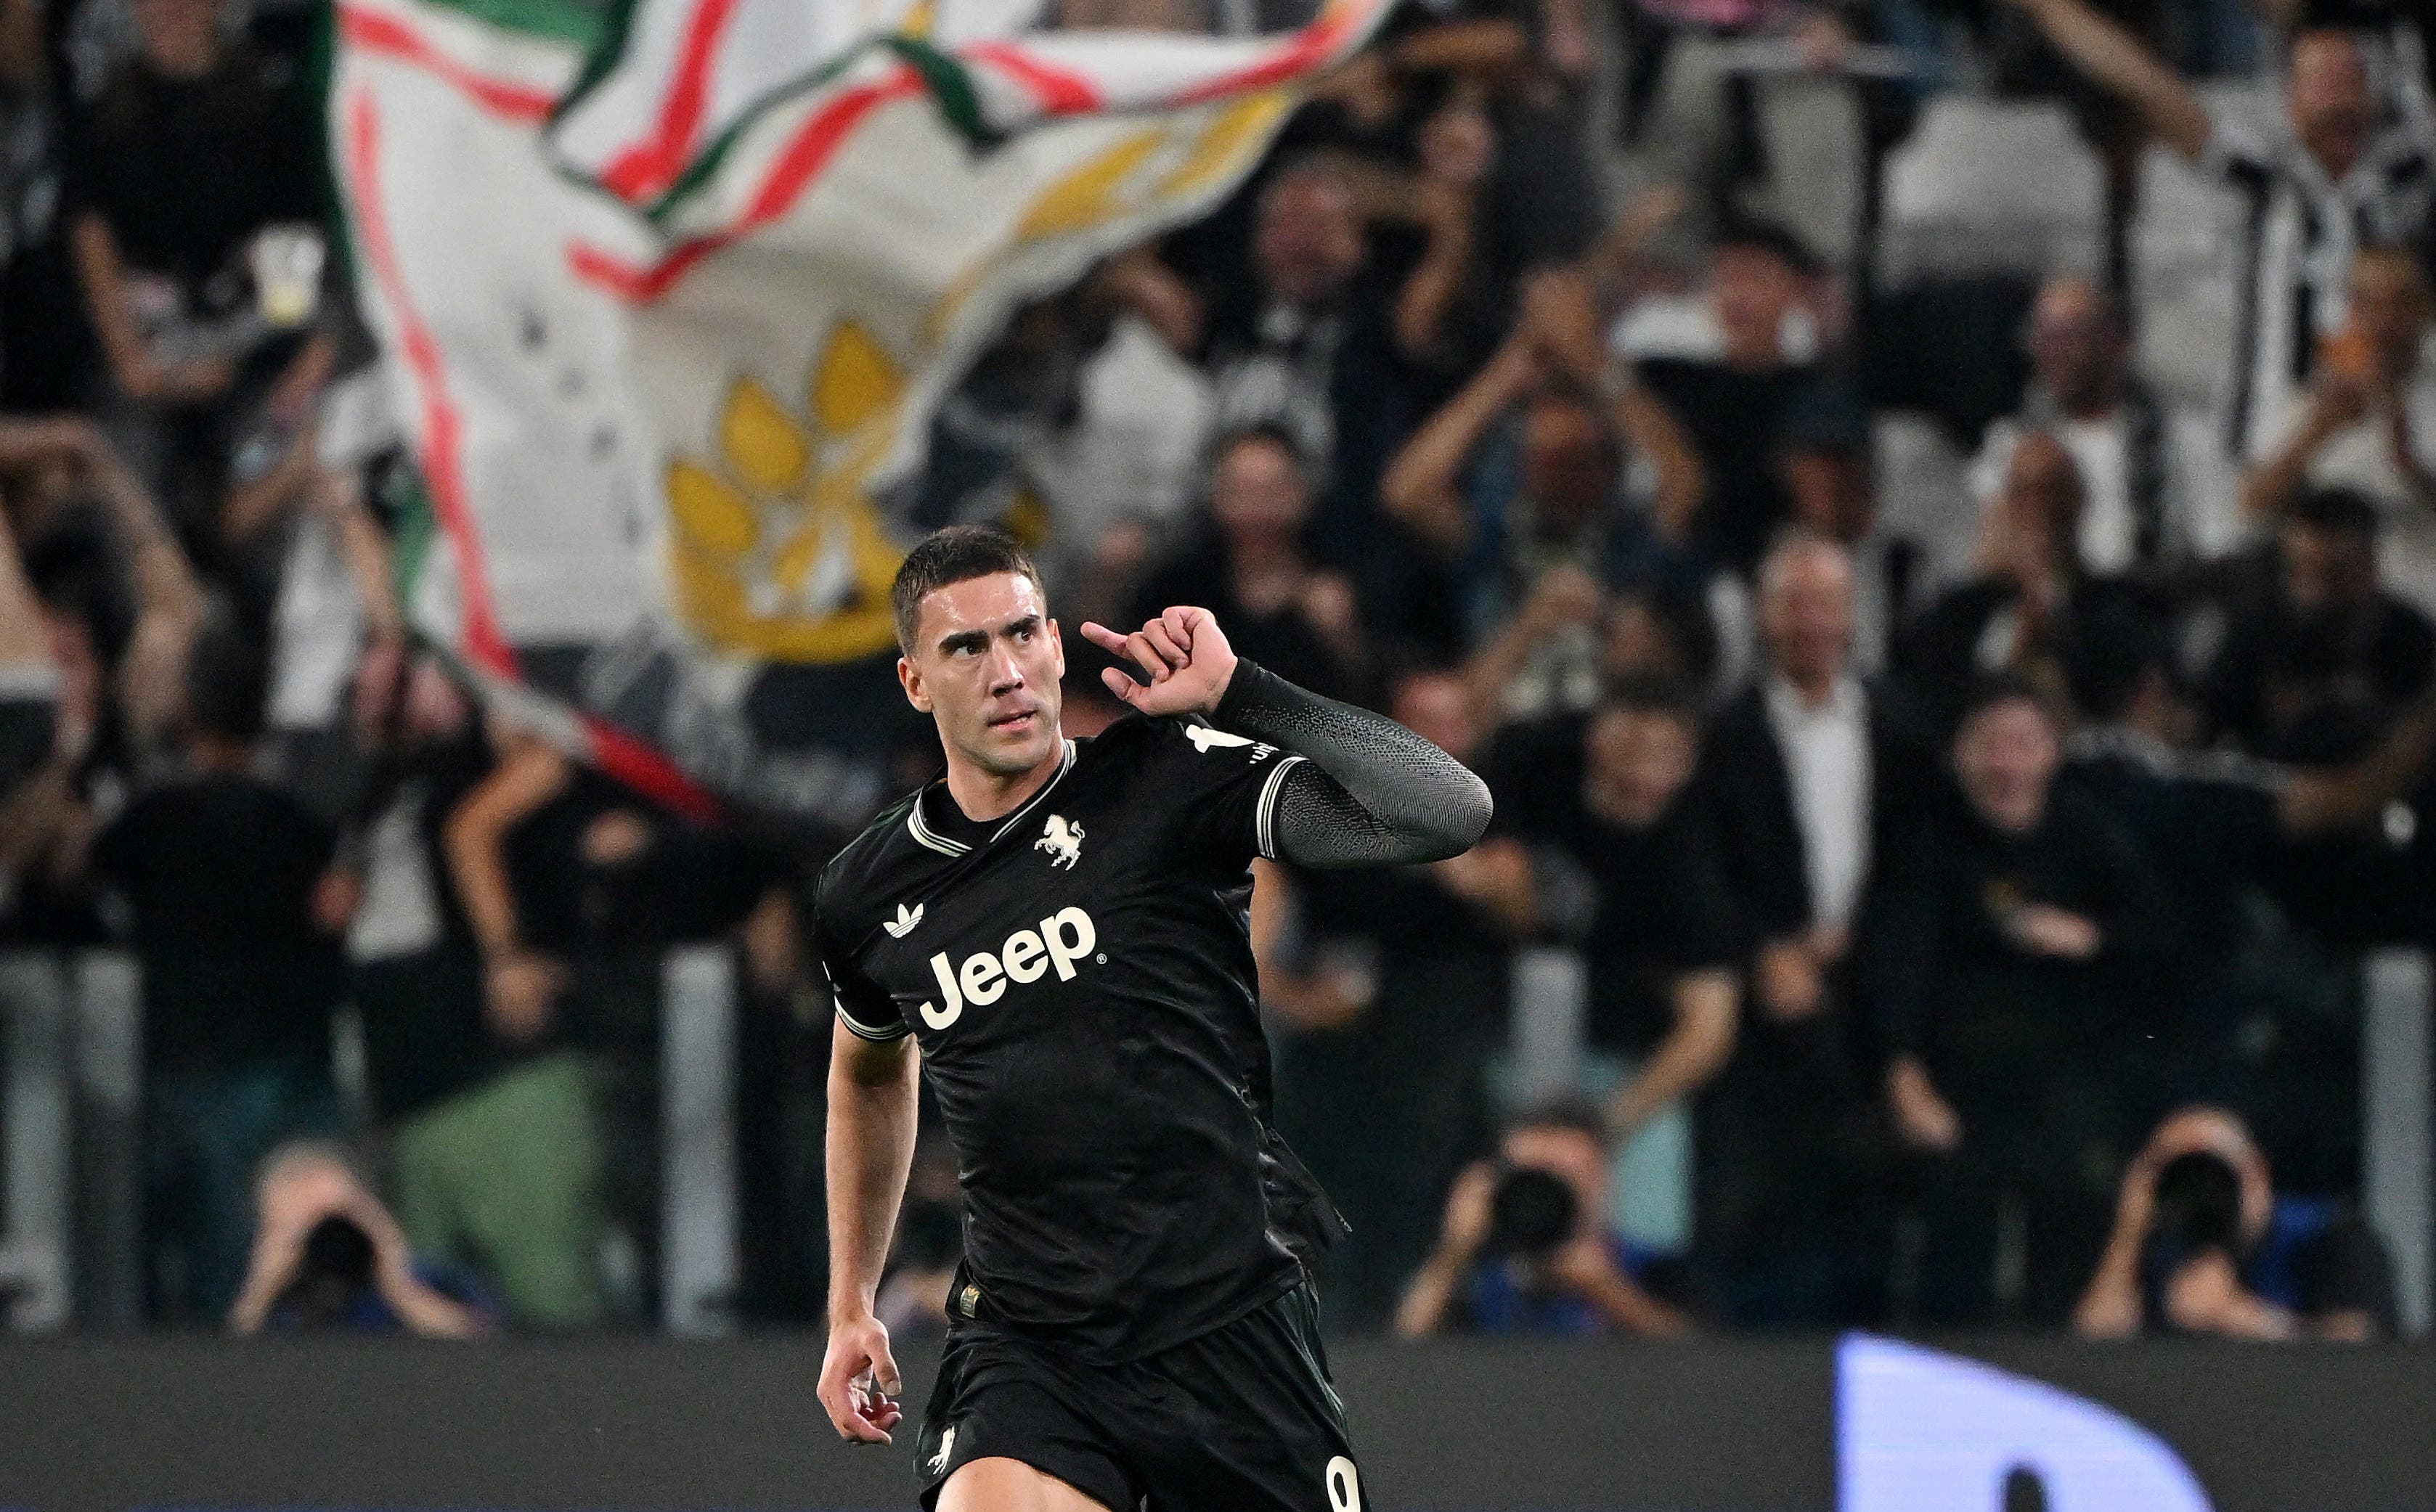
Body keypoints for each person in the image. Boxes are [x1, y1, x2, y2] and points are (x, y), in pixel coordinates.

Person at [812, 527, 1490, 1511]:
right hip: (1032, 1337)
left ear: (1054, 643)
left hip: (1228, 1316)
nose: (1005, 671)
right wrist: (849, 1303)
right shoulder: (866, 891)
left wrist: (1244, 692)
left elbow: (1447, 810)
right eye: (966, 648)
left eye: (1021, 634)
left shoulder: (1164, 780)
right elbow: (867, 1073)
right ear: (915, 681)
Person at [1999, 0, 2435, 460]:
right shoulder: (2267, 179)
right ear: (2292, 102)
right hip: (2270, 437)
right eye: (2321, 85)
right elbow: (2149, 90)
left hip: (2389, 442)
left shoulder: (2411, 174)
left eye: (2350, 82)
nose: (2338, 100)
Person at [1862, 677, 2170, 1325]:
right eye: (1990, 745)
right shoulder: (1926, 843)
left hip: (2065, 1082)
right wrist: (1902, 1074)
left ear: (2051, 753)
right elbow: (1896, 966)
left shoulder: (2087, 834)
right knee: (1955, 1233)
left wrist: (2092, 939)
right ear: (1960, 754)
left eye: (2023, 744)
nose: (2006, 763)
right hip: (1960, 1083)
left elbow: (2158, 942)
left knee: (2074, 1217)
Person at [1694, 531, 1930, 1324]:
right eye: (1795, 604)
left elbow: (1911, 868)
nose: (1813, 622)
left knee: (1868, 1204)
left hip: (1873, 1004)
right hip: (1769, 1015)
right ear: (1764, 617)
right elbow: (1709, 866)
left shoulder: (1900, 728)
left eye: (1828, 603)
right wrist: (1764, 950)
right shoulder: (1724, 736)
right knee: (1767, 1207)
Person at [1259, 669, 1535, 1333]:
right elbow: (1260, 927)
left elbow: (1522, 909)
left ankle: (1417, 1325)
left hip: (1444, 1055)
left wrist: (1434, 832)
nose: (1437, 740)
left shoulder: (1486, 812)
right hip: (1340, 1050)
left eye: (1452, 723)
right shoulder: (1322, 808)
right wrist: (1296, 998)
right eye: (1419, 725)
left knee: (1425, 1192)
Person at [94, 619, 353, 1324]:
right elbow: (329, 931)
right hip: (283, 1070)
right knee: (259, 1281)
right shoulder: (299, 824)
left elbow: (82, 879)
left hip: (182, 1071)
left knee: (187, 1282)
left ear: (187, 711)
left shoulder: (148, 821)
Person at [2074, 1107, 2396, 1339]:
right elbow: (2096, 1347)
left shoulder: (2328, 1235)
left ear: (2257, 1172)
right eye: (2184, 1174)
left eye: (2214, 1171)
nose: (2203, 1189)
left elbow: (2363, 1346)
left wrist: (2239, 1317)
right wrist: (2130, 1228)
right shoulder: (2155, 1248)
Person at [2242, 247, 2436, 616]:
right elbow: (2252, 508)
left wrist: (2407, 457)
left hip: (2422, 604)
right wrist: (2316, 431)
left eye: (2399, 304)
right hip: (2327, 613)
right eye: (2367, 304)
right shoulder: (2313, 397)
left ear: (2424, 311)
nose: (2383, 321)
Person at [1392, 1100, 1690, 1339]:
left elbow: (1707, 1366)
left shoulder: (1654, 1271)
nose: (1545, 1196)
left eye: (1566, 1178)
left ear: (1602, 1184)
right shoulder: (1476, 1282)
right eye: (1533, 1177)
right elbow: (1401, 1358)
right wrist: (1452, 1253)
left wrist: (1605, 1290)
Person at [1969, 276, 2194, 577]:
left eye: (2069, 336)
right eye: (2044, 337)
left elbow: (2217, 545)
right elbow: (1988, 557)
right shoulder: (2011, 445)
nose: (2055, 352)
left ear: (2114, 342)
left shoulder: (2178, 439)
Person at [226, 1140, 491, 1337]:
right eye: (305, 1229)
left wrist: (402, 1290)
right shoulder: (275, 1315)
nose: (326, 1241)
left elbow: (493, 1353)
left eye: (338, 1220)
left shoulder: (435, 1283)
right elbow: (224, 1387)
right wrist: (260, 1292)